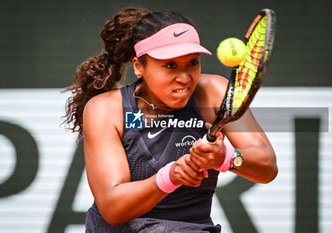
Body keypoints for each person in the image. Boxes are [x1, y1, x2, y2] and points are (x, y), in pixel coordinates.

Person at [64, 7, 278, 233]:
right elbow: (113, 208)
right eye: (170, 65)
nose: (185, 78)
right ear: (139, 66)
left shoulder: (214, 93)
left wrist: (225, 157)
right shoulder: (106, 109)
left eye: (193, 63)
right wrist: (170, 176)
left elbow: (267, 167)